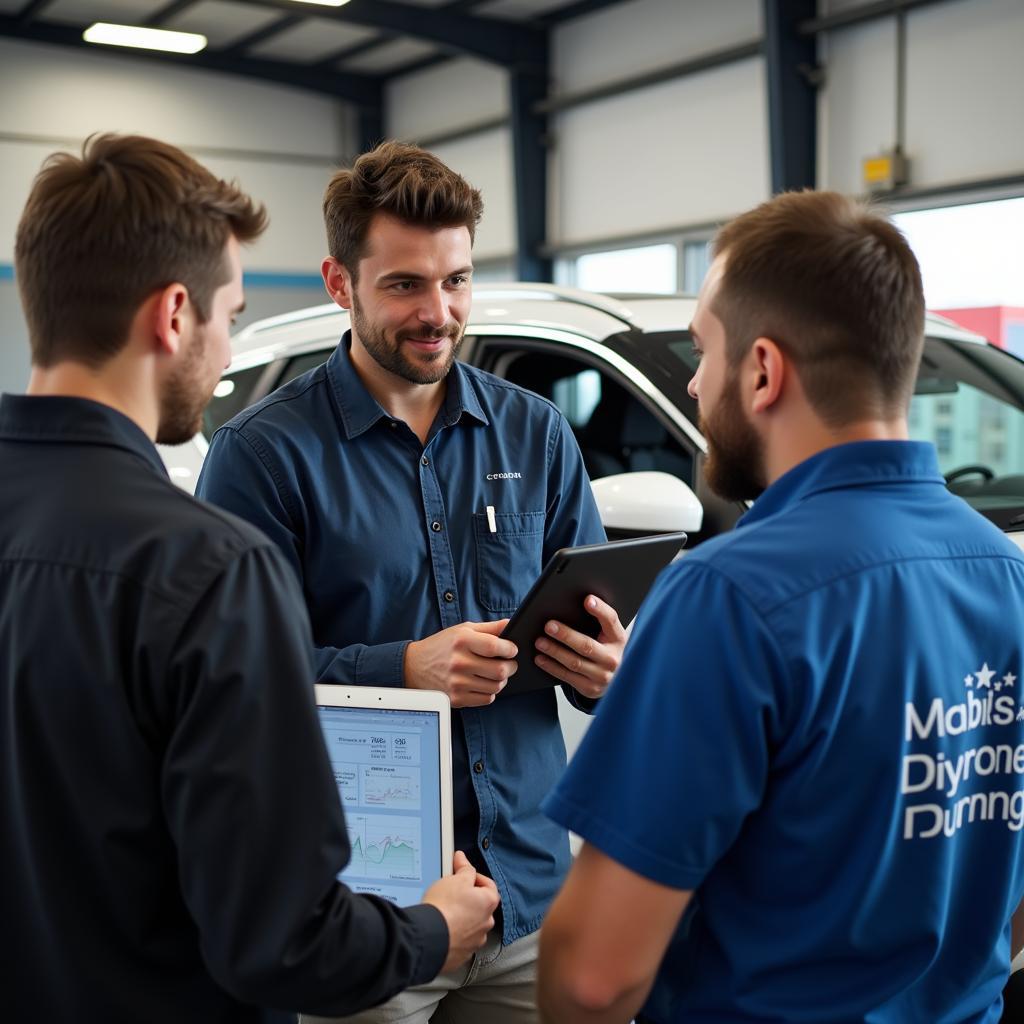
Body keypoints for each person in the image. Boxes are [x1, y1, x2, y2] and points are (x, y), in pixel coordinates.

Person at [1, 133, 498, 1024]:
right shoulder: (207, 571)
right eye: (230, 315)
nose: (228, 353)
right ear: (174, 314)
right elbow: (283, 940)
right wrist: (430, 930)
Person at [537, 190, 1024, 1023]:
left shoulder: (728, 597)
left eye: (702, 351)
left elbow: (593, 977)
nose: (695, 383)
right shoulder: (1008, 576)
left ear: (762, 370)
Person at [195, 140, 626, 1023]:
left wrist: (607, 668)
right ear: (338, 281)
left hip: (529, 894)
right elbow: (233, 686)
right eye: (405, 286)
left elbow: (598, 642)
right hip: (362, 907)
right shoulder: (263, 458)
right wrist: (401, 669)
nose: (439, 312)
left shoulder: (537, 438)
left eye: (457, 281)